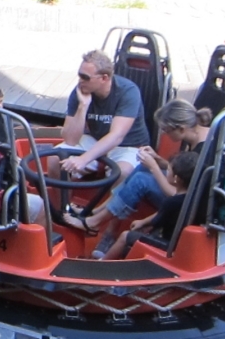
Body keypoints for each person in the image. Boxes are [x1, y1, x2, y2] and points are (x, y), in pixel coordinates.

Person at [71, 100, 212, 253]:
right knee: (141, 167)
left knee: (140, 180)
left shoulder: (203, 153)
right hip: (190, 193)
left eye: (166, 130)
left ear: (181, 129)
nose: (165, 134)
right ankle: (99, 211)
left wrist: (154, 168)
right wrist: (158, 160)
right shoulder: (200, 136)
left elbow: (178, 195)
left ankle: (95, 223)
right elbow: (184, 173)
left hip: (192, 206)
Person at [55, 50, 150, 183]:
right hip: (95, 139)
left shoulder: (127, 91)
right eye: (79, 75)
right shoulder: (80, 91)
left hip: (127, 145)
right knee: (55, 158)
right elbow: (70, 140)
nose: (80, 81)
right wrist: (83, 106)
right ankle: (63, 197)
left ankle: (108, 198)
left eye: (85, 77)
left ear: (104, 78)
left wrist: (83, 159)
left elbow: (116, 136)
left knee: (122, 172)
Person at [97, 151, 200, 260]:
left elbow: (156, 221)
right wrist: (142, 222)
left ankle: (103, 262)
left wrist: (142, 224)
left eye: (168, 170)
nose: (166, 172)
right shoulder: (195, 198)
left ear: (176, 179)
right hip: (184, 243)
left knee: (125, 236)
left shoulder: (171, 202)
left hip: (170, 247)